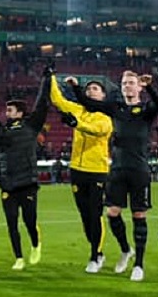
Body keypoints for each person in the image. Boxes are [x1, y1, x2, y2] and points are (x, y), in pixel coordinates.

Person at [80, 71, 158, 281]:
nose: (127, 86)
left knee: (139, 215)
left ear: (139, 87)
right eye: (124, 83)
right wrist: (74, 88)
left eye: (131, 83)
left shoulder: (146, 110)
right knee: (112, 213)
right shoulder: (115, 108)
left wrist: (150, 86)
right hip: (117, 169)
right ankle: (126, 250)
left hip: (139, 169)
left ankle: (139, 265)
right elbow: (90, 103)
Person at [48, 74, 113, 273]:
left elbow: (97, 130)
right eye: (88, 89)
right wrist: (50, 76)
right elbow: (57, 99)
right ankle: (97, 252)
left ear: (103, 95)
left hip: (97, 171)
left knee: (95, 213)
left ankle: (95, 255)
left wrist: (77, 124)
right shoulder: (78, 109)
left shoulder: (106, 116)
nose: (91, 91)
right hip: (77, 169)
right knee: (85, 215)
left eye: (95, 89)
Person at [0, 71, 52, 270]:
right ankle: (18, 257)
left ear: (20, 113)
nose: (6, 113)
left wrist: (46, 80)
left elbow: (42, 104)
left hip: (27, 183)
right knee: (11, 222)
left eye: (10, 110)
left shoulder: (30, 126)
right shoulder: (2, 132)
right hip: (8, 185)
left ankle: (35, 244)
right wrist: (0, 179)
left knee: (29, 221)